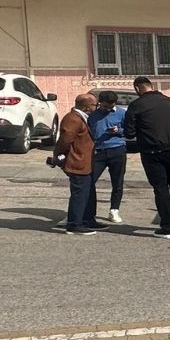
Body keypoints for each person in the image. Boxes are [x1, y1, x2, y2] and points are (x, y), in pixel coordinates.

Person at [123, 77, 170, 239]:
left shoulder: (136, 106)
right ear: (152, 86)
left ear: (137, 89)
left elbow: (129, 133)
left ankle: (167, 227)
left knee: (161, 189)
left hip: (152, 152)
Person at [53, 94, 106, 235]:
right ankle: (74, 224)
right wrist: (58, 156)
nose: (97, 107)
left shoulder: (81, 117)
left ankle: (88, 220)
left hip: (85, 162)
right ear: (87, 107)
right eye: (95, 105)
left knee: (88, 193)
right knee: (79, 194)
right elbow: (65, 141)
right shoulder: (73, 119)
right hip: (77, 162)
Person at [88, 91, 128, 223]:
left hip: (117, 149)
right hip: (98, 150)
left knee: (117, 182)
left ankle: (114, 210)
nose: (107, 109)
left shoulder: (122, 113)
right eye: (105, 107)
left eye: (110, 107)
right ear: (100, 103)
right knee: (88, 180)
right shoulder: (92, 114)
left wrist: (119, 131)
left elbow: (129, 130)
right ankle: (85, 209)